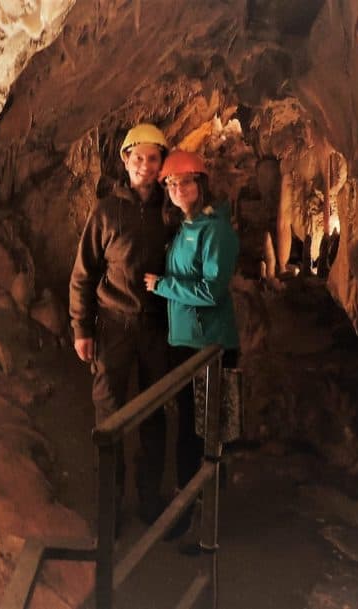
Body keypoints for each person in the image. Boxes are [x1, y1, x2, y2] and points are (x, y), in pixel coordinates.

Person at [69, 123, 172, 527]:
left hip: (155, 327)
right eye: (139, 158)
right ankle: (109, 507)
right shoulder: (107, 211)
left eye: (153, 158)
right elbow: (84, 273)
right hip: (113, 324)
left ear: (162, 163)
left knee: (153, 415)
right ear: (125, 161)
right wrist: (82, 328)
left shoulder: (170, 211)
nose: (145, 166)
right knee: (109, 416)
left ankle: (150, 500)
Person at [144, 149, 240, 546]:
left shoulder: (215, 230)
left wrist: (161, 285)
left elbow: (212, 289)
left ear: (202, 185)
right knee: (189, 431)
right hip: (186, 344)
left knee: (203, 435)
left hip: (210, 348)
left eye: (186, 182)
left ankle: (203, 525)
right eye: (171, 183)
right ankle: (191, 514)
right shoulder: (185, 227)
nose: (178, 189)